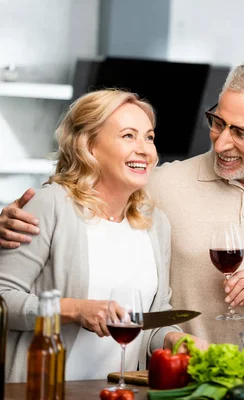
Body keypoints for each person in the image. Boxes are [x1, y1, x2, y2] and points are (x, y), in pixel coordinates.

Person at [0, 62, 244, 345]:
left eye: (241, 132)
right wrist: (9, 221)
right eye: (218, 123)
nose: (223, 142)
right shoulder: (158, 185)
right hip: (170, 384)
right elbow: (86, 192)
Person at [0, 89, 207, 382]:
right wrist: (75, 310)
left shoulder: (154, 223)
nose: (145, 149)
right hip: (46, 389)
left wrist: (177, 341)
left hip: (117, 391)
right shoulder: (51, 205)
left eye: (149, 137)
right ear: (90, 146)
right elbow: (3, 300)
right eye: (128, 136)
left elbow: (152, 319)